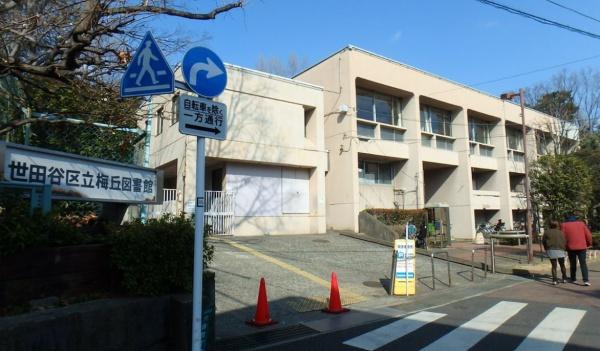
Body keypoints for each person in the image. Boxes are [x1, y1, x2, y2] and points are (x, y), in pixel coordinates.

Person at [561, 215, 593, 286]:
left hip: (570, 247)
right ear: (575, 219)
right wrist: (589, 243)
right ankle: (586, 280)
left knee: (573, 263)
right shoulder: (581, 224)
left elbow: (562, 236)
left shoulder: (564, 225)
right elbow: (588, 235)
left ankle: (573, 278)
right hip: (582, 247)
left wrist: (564, 246)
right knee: (583, 263)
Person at [542, 221, 567, 285]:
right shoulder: (561, 232)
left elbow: (543, 241)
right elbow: (564, 241)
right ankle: (564, 278)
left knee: (554, 266)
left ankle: (554, 280)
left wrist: (546, 248)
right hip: (560, 249)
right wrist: (564, 248)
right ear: (557, 225)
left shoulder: (546, 232)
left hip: (551, 250)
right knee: (562, 264)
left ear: (550, 225)